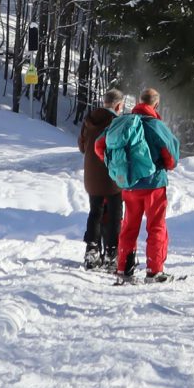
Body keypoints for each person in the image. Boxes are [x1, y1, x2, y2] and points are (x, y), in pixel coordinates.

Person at [94, 86, 180, 282]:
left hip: (129, 184)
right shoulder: (156, 125)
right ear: (156, 104)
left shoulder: (122, 122)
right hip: (154, 184)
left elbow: (99, 145)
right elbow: (172, 159)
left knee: (129, 226)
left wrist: (114, 166)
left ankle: (123, 269)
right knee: (156, 226)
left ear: (139, 101)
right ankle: (154, 270)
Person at [77, 90, 125, 268]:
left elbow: (82, 146)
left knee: (95, 212)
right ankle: (112, 252)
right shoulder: (117, 123)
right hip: (112, 176)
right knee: (114, 214)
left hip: (91, 176)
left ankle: (92, 250)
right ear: (118, 105)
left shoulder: (89, 120)